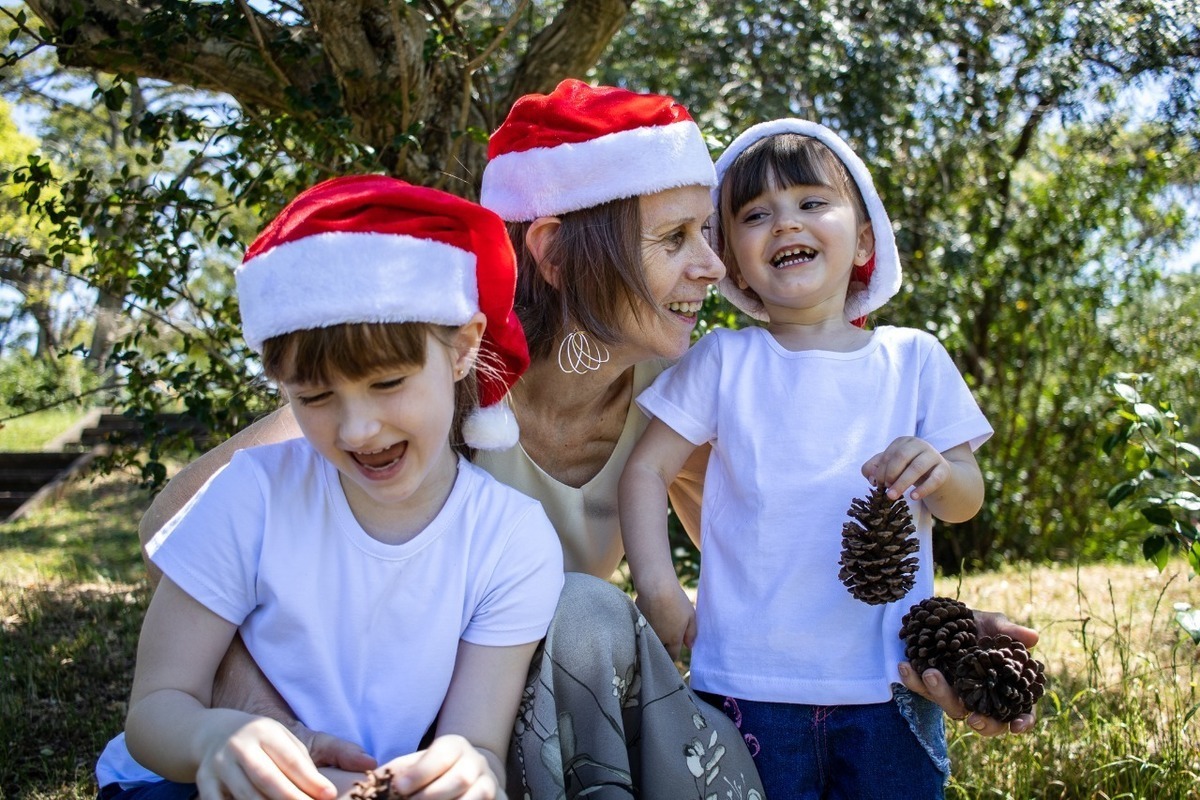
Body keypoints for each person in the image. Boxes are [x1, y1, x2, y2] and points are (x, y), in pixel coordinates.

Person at [134, 83, 1037, 800]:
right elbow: (174, 525)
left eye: (708, 235)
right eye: (678, 238)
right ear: (558, 251)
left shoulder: (672, 395)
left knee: (583, 611)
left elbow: (782, 543)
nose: (715, 266)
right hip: (352, 726)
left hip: (492, 743)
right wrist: (259, 717)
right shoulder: (408, 382)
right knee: (584, 608)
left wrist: (935, 636)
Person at [95, 175, 565, 800]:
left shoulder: (511, 539)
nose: (357, 428)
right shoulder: (250, 496)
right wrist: (213, 739)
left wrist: (468, 768)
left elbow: (476, 741)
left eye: (387, 382)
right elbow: (157, 707)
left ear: (462, 348)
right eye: (314, 397)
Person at [619, 118, 1000, 798]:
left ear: (863, 239)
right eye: (756, 214)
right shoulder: (724, 361)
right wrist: (658, 588)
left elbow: (967, 497)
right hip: (744, 683)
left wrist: (940, 473)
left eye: (810, 202)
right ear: (731, 259)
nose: (785, 223)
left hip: (886, 682)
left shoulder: (912, 359)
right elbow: (645, 471)